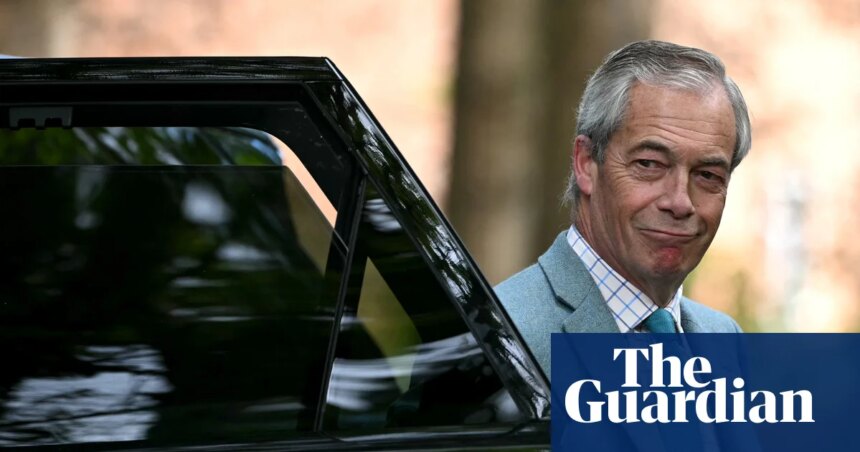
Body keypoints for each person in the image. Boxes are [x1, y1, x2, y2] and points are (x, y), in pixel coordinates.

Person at [495, 40, 751, 376]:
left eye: (707, 175)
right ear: (586, 163)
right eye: (649, 164)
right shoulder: (501, 336)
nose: (680, 202)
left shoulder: (726, 341)